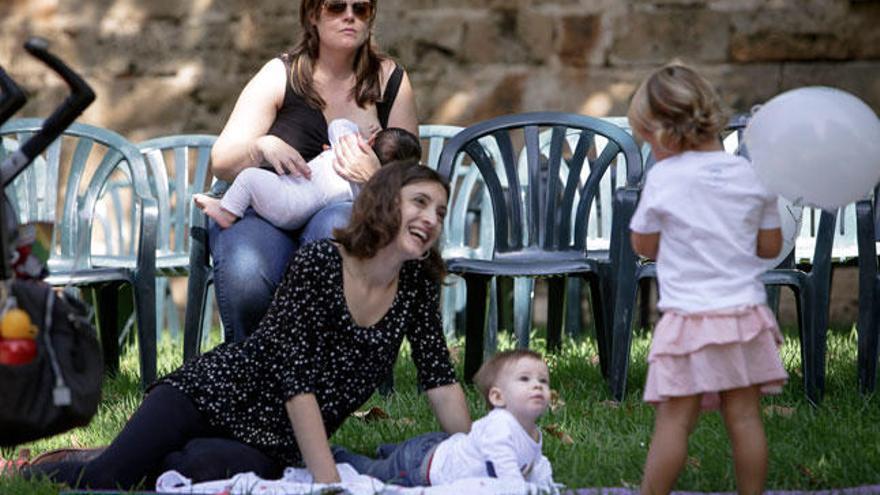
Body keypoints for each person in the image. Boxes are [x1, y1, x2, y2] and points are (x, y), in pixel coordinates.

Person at [26, 161, 472, 489]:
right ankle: (39, 468)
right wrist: (328, 482)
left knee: (193, 474)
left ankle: (133, 453)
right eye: (420, 202)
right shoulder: (321, 262)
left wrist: (478, 452)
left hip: (273, 441)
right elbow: (295, 380)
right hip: (212, 395)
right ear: (384, 202)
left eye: (440, 210)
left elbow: (439, 378)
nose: (432, 218)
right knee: (108, 480)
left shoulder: (415, 284)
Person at [208, 0, 419, 342]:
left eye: (361, 8)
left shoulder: (390, 80)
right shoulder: (281, 73)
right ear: (312, 15)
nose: (349, 15)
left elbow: (413, 185)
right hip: (268, 207)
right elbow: (221, 159)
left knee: (334, 228)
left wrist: (374, 176)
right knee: (247, 268)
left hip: (345, 208)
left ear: (371, 18)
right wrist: (260, 146)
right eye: (336, 6)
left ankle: (327, 373)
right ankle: (250, 370)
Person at [626, 64, 789, 495]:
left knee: (675, 420)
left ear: (663, 133)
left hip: (689, 321)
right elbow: (770, 247)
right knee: (746, 418)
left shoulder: (663, 177)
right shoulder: (754, 174)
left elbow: (642, 243)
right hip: (744, 317)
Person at [333, 349, 555, 487]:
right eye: (525, 379)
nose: (537, 385)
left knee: (400, 455)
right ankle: (339, 455)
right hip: (421, 466)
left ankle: (389, 450)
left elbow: (538, 463)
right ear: (497, 397)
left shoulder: (532, 430)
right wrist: (520, 488)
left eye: (543, 381)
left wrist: (546, 484)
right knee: (374, 472)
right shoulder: (500, 425)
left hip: (440, 447)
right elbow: (507, 472)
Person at [194, 120, 420, 230]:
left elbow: (338, 124)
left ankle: (226, 211)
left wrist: (357, 134)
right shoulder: (368, 190)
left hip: (288, 198)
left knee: (249, 177)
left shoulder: (350, 146)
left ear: (370, 142)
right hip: (298, 212)